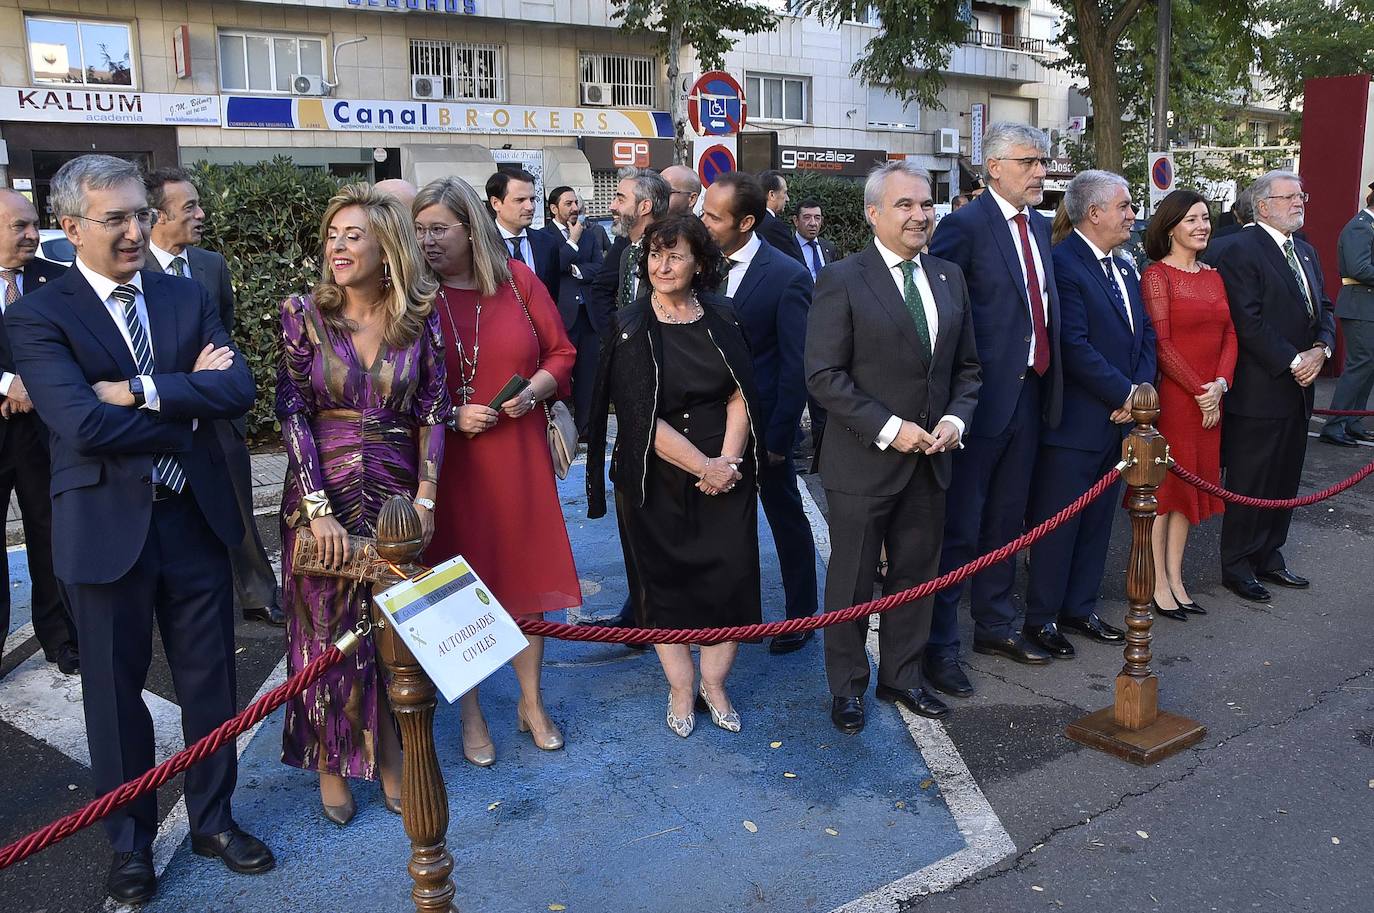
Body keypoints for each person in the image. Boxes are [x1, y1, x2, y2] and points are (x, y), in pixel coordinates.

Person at [8, 154, 268, 904]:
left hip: (192, 519)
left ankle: (215, 819)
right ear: (69, 227)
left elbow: (239, 386)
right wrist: (186, 407)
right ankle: (130, 844)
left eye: (139, 215)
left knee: (211, 683)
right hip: (102, 530)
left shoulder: (184, 296)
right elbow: (81, 423)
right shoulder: (37, 315)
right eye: (114, 218)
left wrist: (146, 391)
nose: (133, 231)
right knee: (113, 700)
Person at [277, 183, 449, 826]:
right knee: (323, 630)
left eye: (354, 235)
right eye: (332, 236)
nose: (339, 246)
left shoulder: (419, 318)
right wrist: (316, 505)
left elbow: (434, 410)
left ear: (389, 248)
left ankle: (391, 757)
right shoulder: (303, 312)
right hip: (320, 484)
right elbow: (291, 408)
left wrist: (428, 495)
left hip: (398, 493)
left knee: (394, 629)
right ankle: (330, 760)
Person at [806, 161, 981, 733]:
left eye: (926, 204)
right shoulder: (843, 278)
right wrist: (889, 428)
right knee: (853, 578)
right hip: (864, 459)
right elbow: (825, 375)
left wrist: (956, 419)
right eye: (905, 205)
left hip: (933, 460)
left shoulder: (949, 276)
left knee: (917, 574)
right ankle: (846, 687)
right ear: (873, 214)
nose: (920, 215)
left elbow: (968, 369)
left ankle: (903, 676)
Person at [415, 176, 579, 765]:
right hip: (449, 464)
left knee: (526, 580)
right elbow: (392, 388)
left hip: (518, 454)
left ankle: (532, 701)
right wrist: (448, 413)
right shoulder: (412, 296)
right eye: (420, 229)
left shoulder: (517, 280)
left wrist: (535, 391)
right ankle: (473, 711)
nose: (427, 240)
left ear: (470, 227)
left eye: (440, 228)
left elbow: (562, 353)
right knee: (461, 586)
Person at [587, 211, 763, 736]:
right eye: (656, 255)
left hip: (726, 475)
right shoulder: (629, 325)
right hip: (655, 476)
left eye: (676, 255)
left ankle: (714, 684)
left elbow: (741, 394)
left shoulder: (724, 315)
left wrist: (728, 463)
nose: (663, 265)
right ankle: (682, 689)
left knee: (727, 583)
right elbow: (638, 415)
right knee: (664, 587)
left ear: (699, 263)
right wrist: (703, 466)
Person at [925, 122, 1065, 694]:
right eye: (1030, 162)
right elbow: (946, 315)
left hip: (1031, 395)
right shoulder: (964, 227)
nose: (1041, 172)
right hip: (978, 403)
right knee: (960, 526)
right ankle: (940, 646)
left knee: (1007, 521)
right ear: (995, 168)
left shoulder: (1039, 225)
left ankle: (996, 624)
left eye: (1043, 161)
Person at [1023, 171, 1154, 658]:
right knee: (1059, 525)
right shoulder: (1064, 264)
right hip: (1076, 423)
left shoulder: (1122, 266)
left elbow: (1146, 336)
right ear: (1094, 213)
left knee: (1098, 523)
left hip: (1120, 420)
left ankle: (1080, 607)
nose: (1131, 214)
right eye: (1123, 206)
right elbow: (1071, 345)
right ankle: (1043, 619)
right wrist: (1125, 394)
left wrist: (1139, 393)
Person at [145, 166, 283, 628]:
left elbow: (223, 341)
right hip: (159, 415)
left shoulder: (211, 265)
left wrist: (212, 382)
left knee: (239, 503)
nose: (202, 214)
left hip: (218, 413)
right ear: (157, 217)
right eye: (189, 208)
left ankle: (258, 592)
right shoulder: (131, 269)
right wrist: (188, 379)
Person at [701, 172, 818, 654]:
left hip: (763, 427)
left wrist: (778, 439)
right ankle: (718, 617)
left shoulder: (786, 275)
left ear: (746, 222)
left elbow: (796, 366)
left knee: (784, 515)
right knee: (713, 524)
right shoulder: (698, 265)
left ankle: (801, 615)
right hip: (704, 424)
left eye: (713, 216)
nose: (702, 222)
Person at [1212, 170, 1336, 603]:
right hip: (1260, 388)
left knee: (1285, 476)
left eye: (1301, 195)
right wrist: (1292, 359)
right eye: (1288, 197)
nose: (1299, 202)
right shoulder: (1243, 249)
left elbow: (1323, 306)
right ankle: (1238, 564)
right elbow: (1248, 320)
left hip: (1300, 388)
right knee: (1252, 479)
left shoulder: (1305, 251)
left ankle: (1270, 555)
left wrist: (1322, 348)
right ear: (1263, 205)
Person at [1140, 189, 1237, 620]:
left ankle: (1177, 578)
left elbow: (1230, 335)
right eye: (1192, 219)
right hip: (1177, 401)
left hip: (1211, 400)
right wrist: (1201, 391)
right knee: (1165, 493)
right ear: (1171, 226)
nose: (1202, 226)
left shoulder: (1213, 276)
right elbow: (1160, 344)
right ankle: (1156, 583)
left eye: (1206, 218)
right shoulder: (1157, 277)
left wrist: (1220, 384)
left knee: (1190, 493)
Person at [581, 167, 671, 633]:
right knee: (629, 498)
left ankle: (666, 610)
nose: (612, 205)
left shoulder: (674, 248)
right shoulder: (623, 245)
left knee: (665, 506)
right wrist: (614, 336)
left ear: (645, 206)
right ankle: (640, 607)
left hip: (672, 399)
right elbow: (600, 289)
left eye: (619, 197)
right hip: (628, 393)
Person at [0, 188, 78, 673]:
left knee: (49, 535)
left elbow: (77, 345)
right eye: (19, 227)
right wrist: (9, 382)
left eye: (34, 224)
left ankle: (62, 640)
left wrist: (39, 386)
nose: (33, 235)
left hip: (43, 433)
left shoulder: (58, 280)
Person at [540, 185, 605, 438]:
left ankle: (586, 430)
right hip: (559, 318)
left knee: (588, 376)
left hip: (587, 317)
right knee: (559, 377)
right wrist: (572, 242)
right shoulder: (544, 237)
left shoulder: (590, 235)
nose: (575, 208)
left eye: (576, 203)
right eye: (568, 204)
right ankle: (560, 431)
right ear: (554, 208)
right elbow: (554, 266)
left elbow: (599, 268)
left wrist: (577, 271)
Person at [1321, 182, 1374, 447]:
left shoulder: (1368, 226)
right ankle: (1335, 424)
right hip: (1360, 305)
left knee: (1368, 366)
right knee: (1360, 364)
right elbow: (1360, 268)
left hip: (1366, 306)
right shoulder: (1361, 227)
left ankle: (1352, 421)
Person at [486, 169, 560, 299]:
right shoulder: (481, 245)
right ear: (496, 203)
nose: (530, 207)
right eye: (520, 200)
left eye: (532, 199)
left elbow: (551, 296)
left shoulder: (547, 243)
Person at [757, 170, 807, 265]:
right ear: (772, 195)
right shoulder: (774, 227)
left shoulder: (749, 221)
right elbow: (796, 266)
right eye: (785, 192)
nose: (787, 199)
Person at [792, 198, 838, 282]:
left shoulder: (829, 248)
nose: (813, 223)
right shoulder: (787, 248)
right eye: (807, 217)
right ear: (796, 220)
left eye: (817, 218)